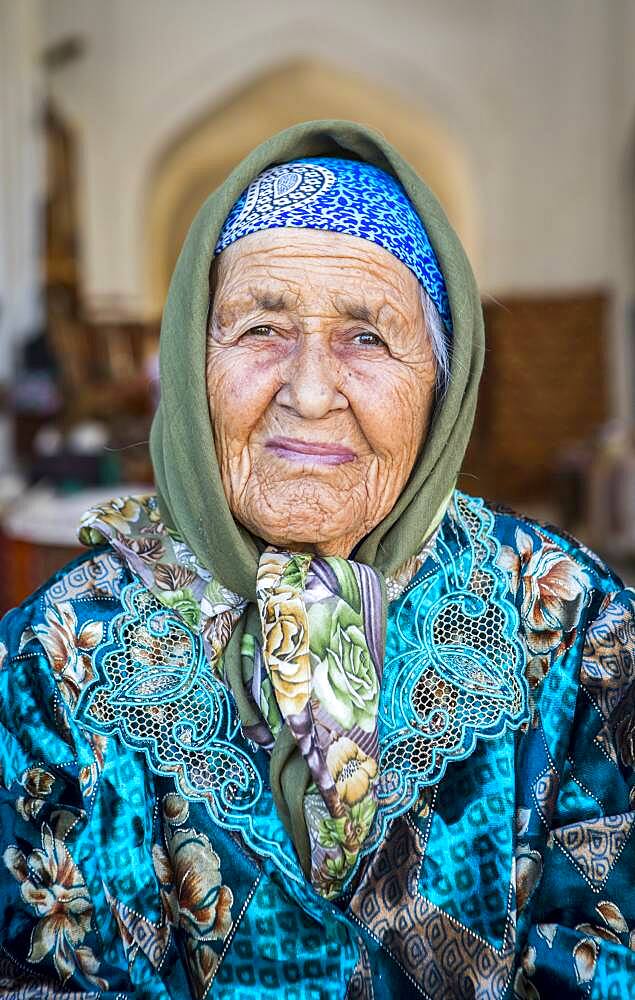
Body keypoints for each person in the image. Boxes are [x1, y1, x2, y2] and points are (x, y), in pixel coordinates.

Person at [0, 119, 633, 1000]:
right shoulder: (52, 663)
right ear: (191, 362)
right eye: (260, 327)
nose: (306, 390)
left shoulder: (577, 633)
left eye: (367, 337)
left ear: (441, 387)